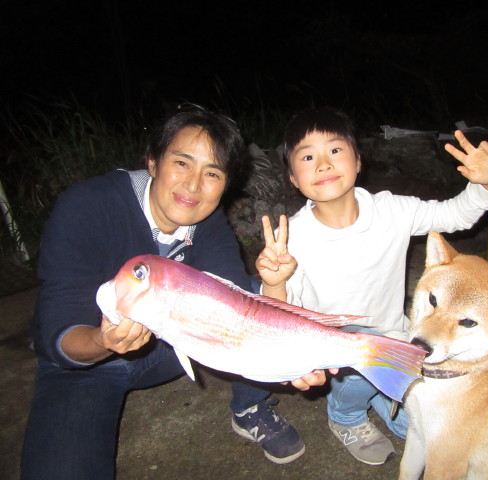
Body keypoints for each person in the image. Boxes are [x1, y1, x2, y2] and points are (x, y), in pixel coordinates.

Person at [20, 104, 330, 480]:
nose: (193, 185)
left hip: (170, 345)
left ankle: (249, 407)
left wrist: (281, 361)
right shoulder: (87, 206)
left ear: (226, 184)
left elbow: (242, 313)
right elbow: (58, 327)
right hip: (85, 362)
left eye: (212, 172)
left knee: (251, 293)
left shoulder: (209, 223)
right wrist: (103, 342)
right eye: (182, 163)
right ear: (153, 162)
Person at [255, 107, 488, 466]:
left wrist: (485, 184)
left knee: (423, 432)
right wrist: (274, 282)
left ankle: (376, 388)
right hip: (335, 347)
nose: (324, 164)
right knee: (371, 355)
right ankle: (345, 415)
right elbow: (279, 312)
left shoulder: (391, 210)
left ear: (358, 161)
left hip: (397, 340)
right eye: (308, 157)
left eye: (335, 150)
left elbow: (454, 215)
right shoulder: (292, 237)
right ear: (293, 178)